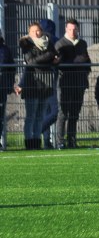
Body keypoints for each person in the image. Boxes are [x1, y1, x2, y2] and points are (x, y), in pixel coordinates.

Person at [19, 22, 60, 150]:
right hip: (32, 83)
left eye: (38, 31)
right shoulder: (26, 44)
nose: (37, 33)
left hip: (46, 83)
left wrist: (52, 59)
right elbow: (31, 62)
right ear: (29, 33)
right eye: (33, 31)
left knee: (40, 116)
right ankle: (28, 142)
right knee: (31, 115)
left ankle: (37, 142)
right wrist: (48, 56)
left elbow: (54, 56)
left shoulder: (48, 42)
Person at [55, 18, 92, 149]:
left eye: (75, 29)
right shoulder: (60, 44)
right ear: (66, 29)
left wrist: (85, 68)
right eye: (70, 29)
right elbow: (60, 63)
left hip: (80, 82)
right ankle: (60, 141)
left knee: (75, 114)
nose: (72, 31)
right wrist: (77, 61)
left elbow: (87, 61)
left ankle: (72, 140)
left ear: (78, 29)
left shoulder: (82, 43)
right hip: (65, 83)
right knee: (63, 113)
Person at [0, 29, 16, 151]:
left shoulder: (5, 49)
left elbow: (12, 68)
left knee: (0, 115)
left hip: (2, 87)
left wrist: (10, 84)